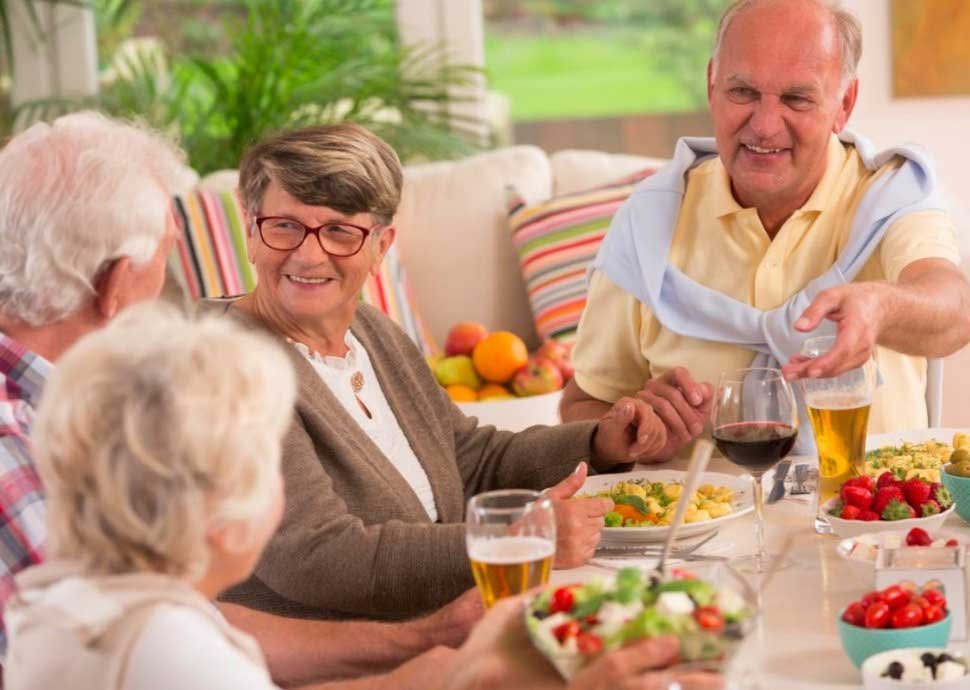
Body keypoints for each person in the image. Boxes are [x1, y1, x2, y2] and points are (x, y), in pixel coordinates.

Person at [0, 111, 485, 688]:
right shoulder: (29, 446)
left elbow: (185, 628)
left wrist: (422, 644)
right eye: (164, 252)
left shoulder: (77, 412)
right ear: (116, 284)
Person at [5, 304, 715, 690]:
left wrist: (433, 669)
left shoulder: (69, 602)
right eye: (267, 459)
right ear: (223, 510)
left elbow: (468, 454)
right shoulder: (173, 651)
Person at [210, 122, 668, 622]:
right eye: (285, 226)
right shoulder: (224, 366)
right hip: (346, 661)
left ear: (381, 246)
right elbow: (318, 558)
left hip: (450, 622)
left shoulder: (370, 331)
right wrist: (521, 537)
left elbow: (467, 460)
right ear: (252, 231)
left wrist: (600, 442)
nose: (308, 252)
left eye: (340, 231)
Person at [560, 0, 970, 460]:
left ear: (844, 104)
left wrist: (881, 307)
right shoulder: (647, 224)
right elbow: (583, 403)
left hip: (872, 520)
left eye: (797, 98)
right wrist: (631, 428)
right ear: (712, 85)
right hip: (698, 525)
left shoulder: (891, 196)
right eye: (743, 92)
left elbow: (954, 309)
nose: (765, 124)